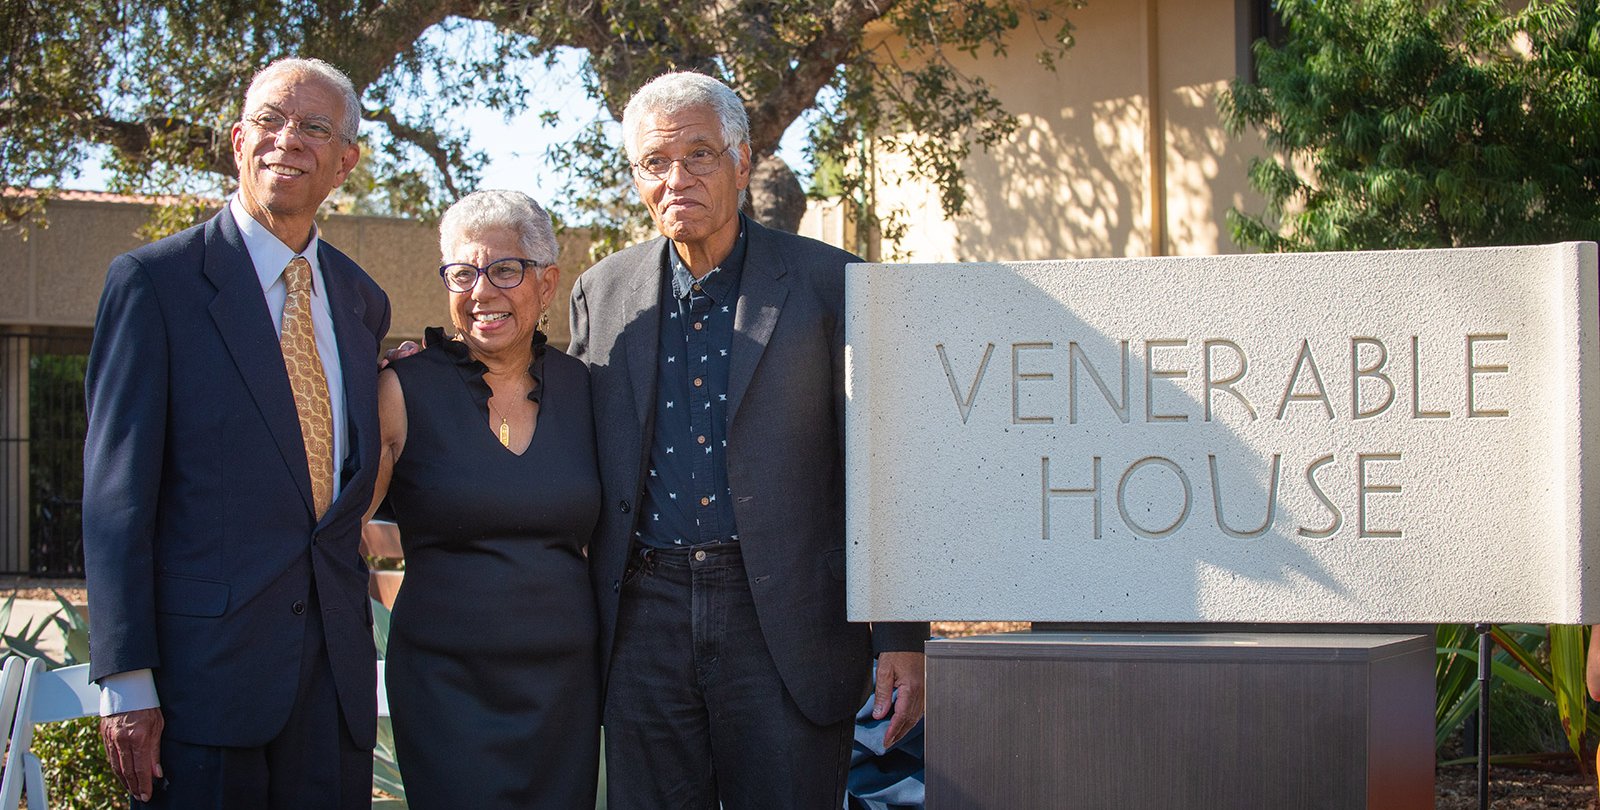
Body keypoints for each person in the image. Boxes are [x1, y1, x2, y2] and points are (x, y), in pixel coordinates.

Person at [567, 70, 929, 808]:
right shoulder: (600, 293)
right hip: (641, 621)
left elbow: (885, 466)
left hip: (785, 621)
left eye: (698, 155)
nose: (677, 179)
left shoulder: (834, 284)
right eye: (654, 163)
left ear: (741, 161)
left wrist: (901, 634)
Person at [82, 57, 388, 809]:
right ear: (237, 138)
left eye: (315, 127)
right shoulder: (155, 284)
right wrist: (126, 684)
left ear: (344, 161)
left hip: (334, 685)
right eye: (271, 120)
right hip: (203, 689)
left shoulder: (360, 300)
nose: (288, 140)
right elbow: (116, 501)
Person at [367, 189, 601, 808]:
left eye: (505, 269)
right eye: (463, 273)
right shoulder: (402, 387)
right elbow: (338, 517)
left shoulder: (589, 392)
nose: (481, 291)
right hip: (444, 685)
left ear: (547, 283)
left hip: (564, 688)